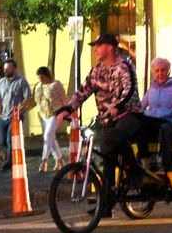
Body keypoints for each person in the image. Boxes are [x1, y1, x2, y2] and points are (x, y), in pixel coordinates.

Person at [52, 35, 155, 212]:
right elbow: (82, 92)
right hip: (107, 119)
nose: (95, 50)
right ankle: (105, 205)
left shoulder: (124, 66)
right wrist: (67, 109)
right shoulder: (96, 72)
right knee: (107, 157)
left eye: (98, 46)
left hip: (128, 115)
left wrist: (118, 106)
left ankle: (134, 171)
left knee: (117, 137)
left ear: (109, 47)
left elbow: (129, 90)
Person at [0, 57, 33, 169]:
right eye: (4, 69)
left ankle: (9, 162)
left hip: (15, 116)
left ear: (15, 69)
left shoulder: (22, 82)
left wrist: (19, 108)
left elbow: (28, 98)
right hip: (3, 116)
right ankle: (12, 155)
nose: (5, 71)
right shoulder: (1, 82)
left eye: (8, 69)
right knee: (2, 139)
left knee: (9, 138)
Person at [33, 67, 68, 172]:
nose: (41, 80)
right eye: (39, 78)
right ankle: (59, 159)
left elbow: (64, 100)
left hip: (55, 113)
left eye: (42, 77)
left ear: (47, 76)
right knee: (51, 138)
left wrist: (67, 113)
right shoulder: (38, 86)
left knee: (47, 135)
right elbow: (34, 100)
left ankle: (44, 161)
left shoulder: (56, 85)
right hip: (43, 115)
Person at [143, 57, 172, 123]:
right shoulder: (152, 89)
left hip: (167, 121)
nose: (160, 73)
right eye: (157, 70)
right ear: (153, 73)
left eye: (163, 70)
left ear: (168, 71)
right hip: (149, 119)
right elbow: (141, 106)